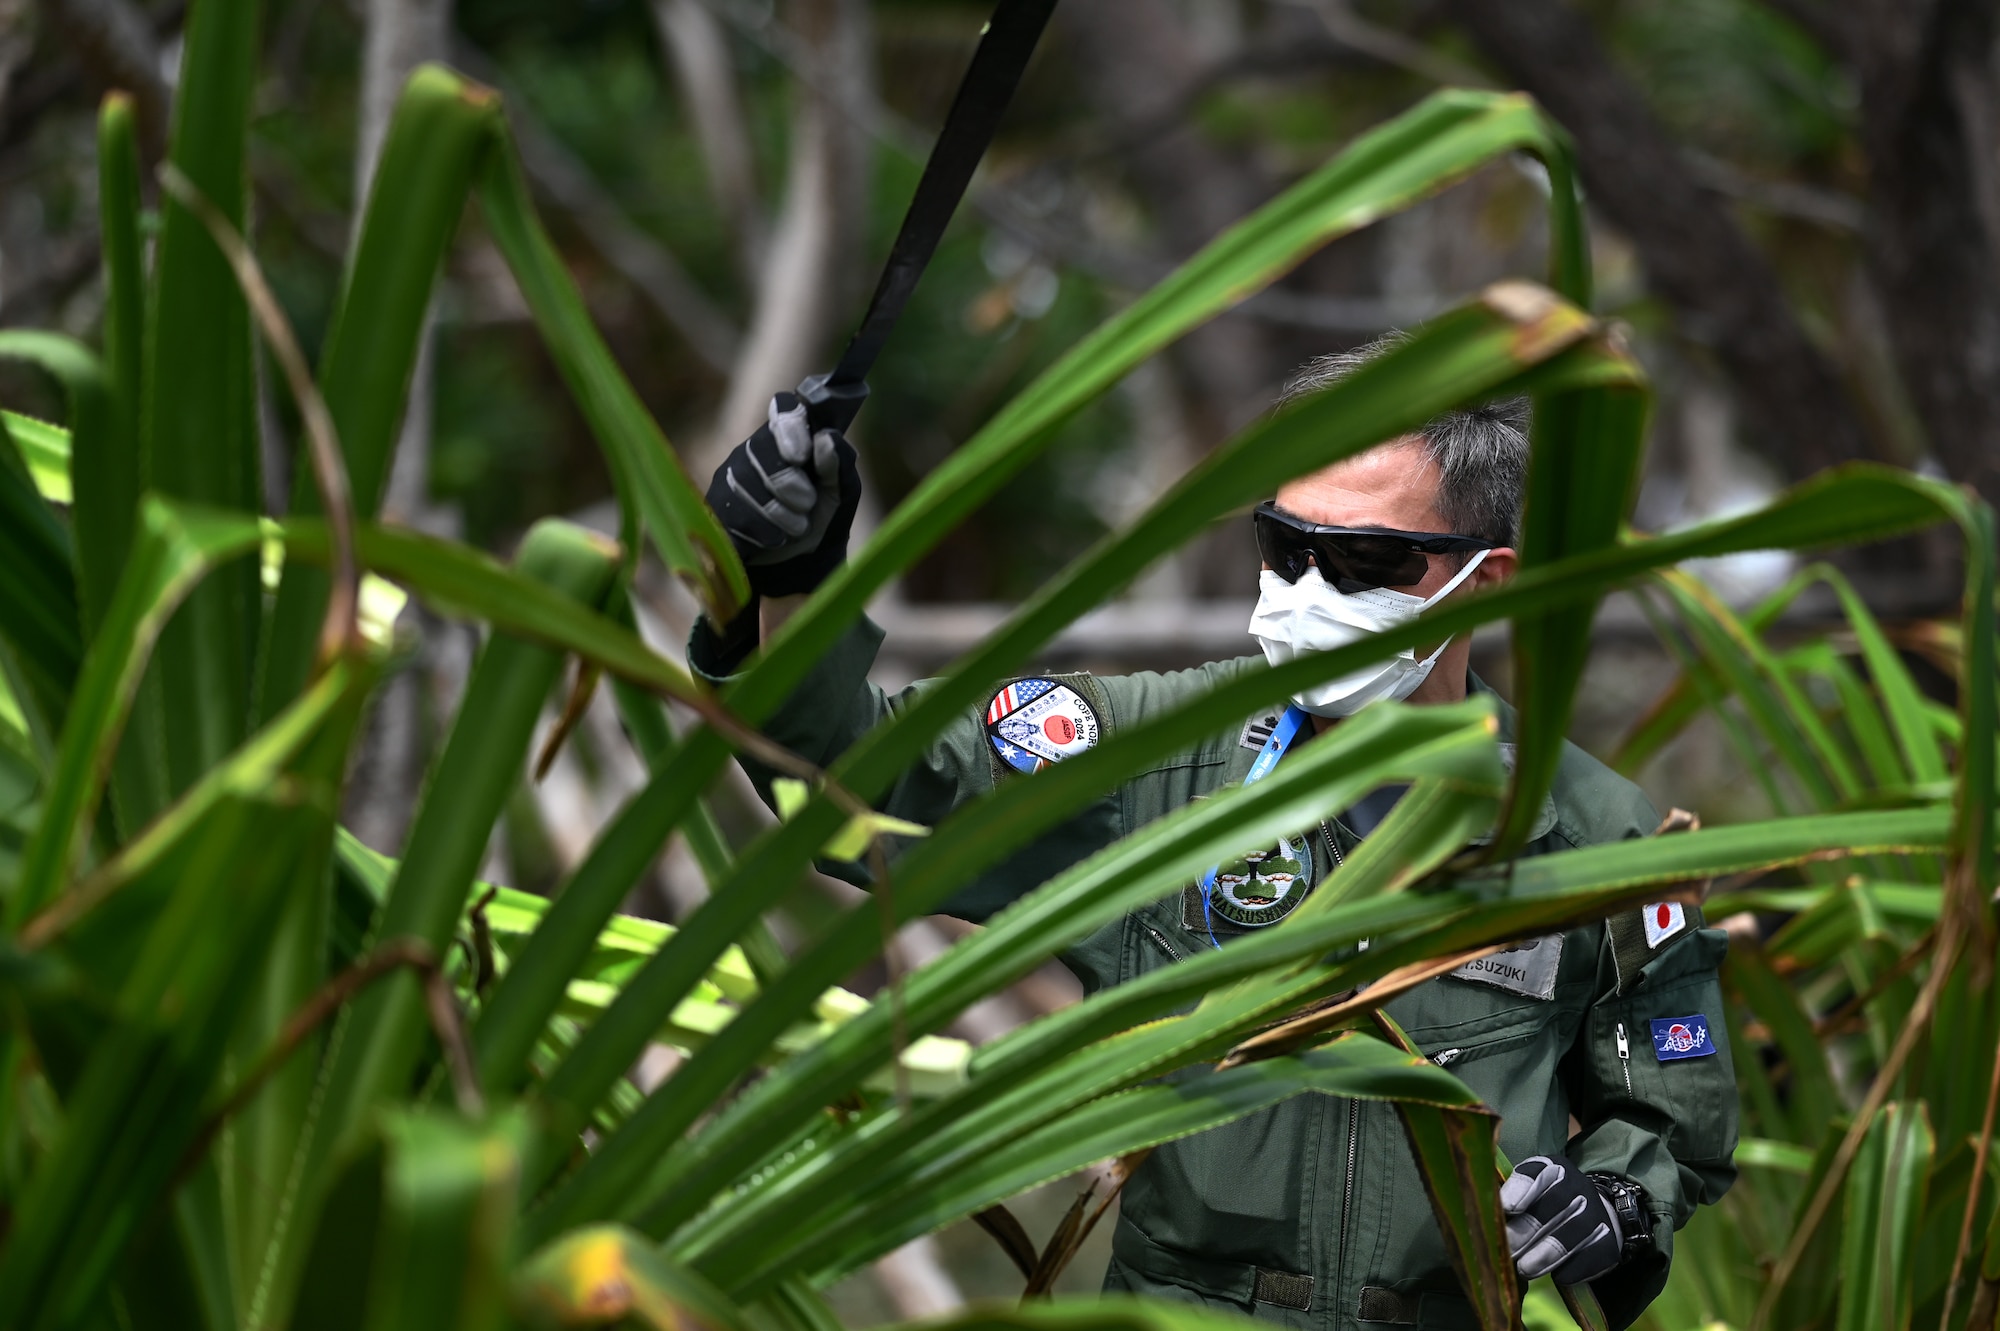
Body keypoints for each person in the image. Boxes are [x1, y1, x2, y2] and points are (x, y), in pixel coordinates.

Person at [693, 336, 1738, 1330]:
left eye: (1366, 559)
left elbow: (1668, 1104)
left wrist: (1611, 1198)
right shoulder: (1144, 757)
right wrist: (779, 586)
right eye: (1286, 547)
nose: (1310, 591)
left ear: (1485, 581)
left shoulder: (1594, 830)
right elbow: (859, 783)